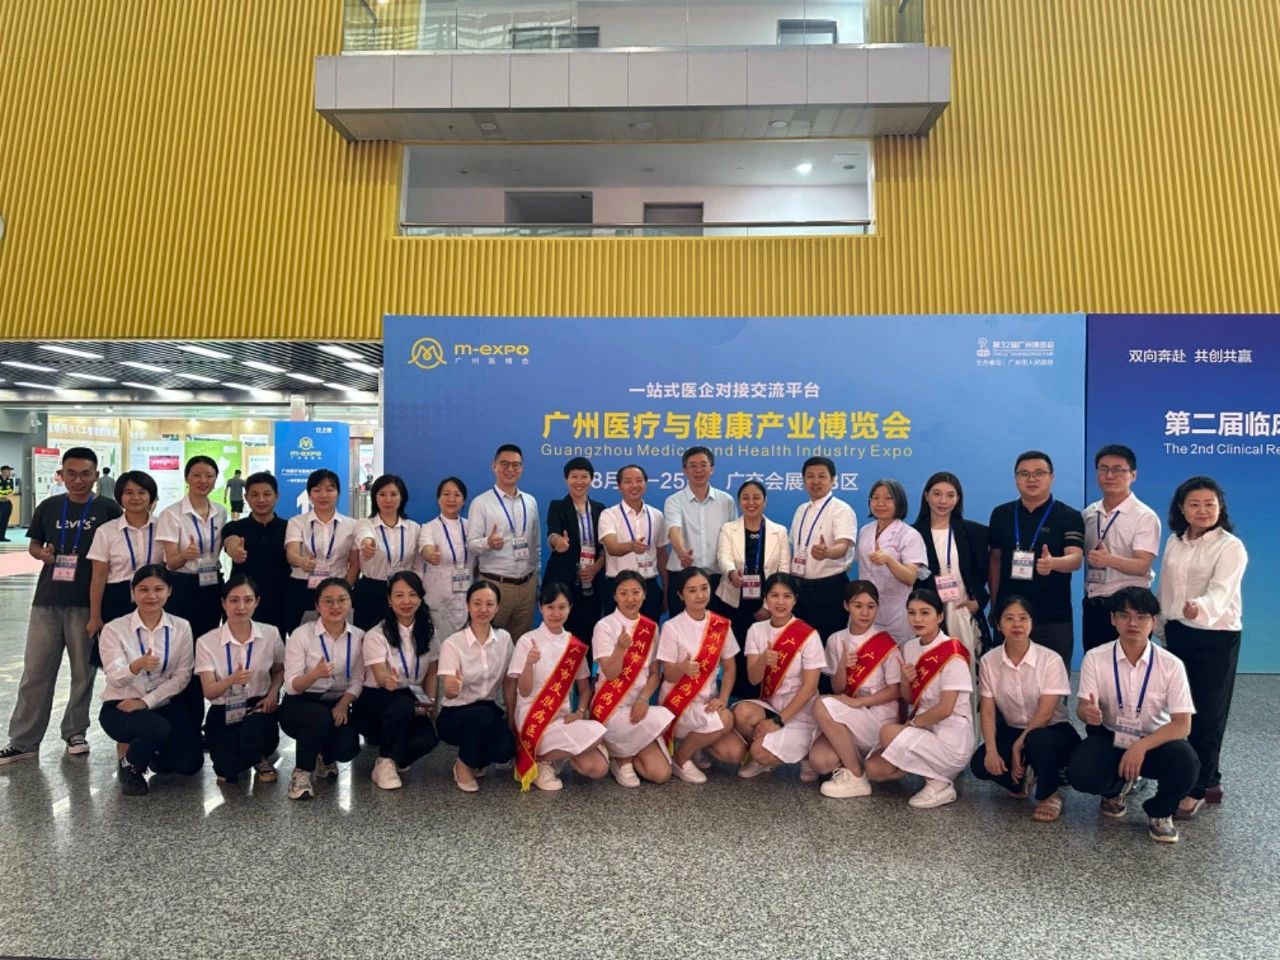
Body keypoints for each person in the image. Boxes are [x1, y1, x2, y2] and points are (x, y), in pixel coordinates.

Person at [0, 447, 121, 766]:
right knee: (36, 672)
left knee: (83, 673)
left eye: (85, 474)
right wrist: (41, 554)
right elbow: (34, 544)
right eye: (71, 473)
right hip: (47, 600)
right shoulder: (50, 506)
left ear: (95, 475)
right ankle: (23, 740)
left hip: (87, 603)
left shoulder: (109, 509)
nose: (78, 480)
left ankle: (75, 732)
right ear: (62, 474)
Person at [1068, 587, 1199, 843]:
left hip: (1155, 741)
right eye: (1124, 615)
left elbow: (1182, 725)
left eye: (1141, 616)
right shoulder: (1095, 658)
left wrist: (1141, 746)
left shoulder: (1171, 665)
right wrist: (1088, 713)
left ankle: (1160, 812)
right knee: (1080, 773)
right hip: (1110, 735)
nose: (1133, 623)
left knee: (1187, 763)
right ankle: (1114, 790)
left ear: (1153, 621)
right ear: (1112, 619)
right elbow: (1082, 707)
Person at [1157, 476, 1246, 815]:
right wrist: (1160, 623)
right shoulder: (1175, 542)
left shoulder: (1230, 546)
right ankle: (1203, 775)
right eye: (1194, 504)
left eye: (1210, 504)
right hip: (1179, 632)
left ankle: (1198, 786)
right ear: (1181, 509)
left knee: (1208, 713)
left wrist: (1201, 607)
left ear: (1220, 507)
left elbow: (1222, 590)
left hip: (1215, 634)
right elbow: (1166, 587)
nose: (1203, 510)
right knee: (1180, 709)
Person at [968, 596, 1081, 822]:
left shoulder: (1050, 659)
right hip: (1013, 728)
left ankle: (1049, 795)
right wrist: (991, 749)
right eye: (1009, 618)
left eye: (1023, 618)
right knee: (980, 764)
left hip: (1052, 730)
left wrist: (1018, 744)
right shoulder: (990, 661)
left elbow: (1046, 713)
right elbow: (988, 711)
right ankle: (1025, 778)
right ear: (998, 624)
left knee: (1036, 740)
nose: (1016, 624)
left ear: (1032, 623)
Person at [96, 564, 202, 795]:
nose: (151, 596)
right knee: (157, 728)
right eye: (143, 589)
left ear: (169, 591)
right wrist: (136, 666)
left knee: (190, 763)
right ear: (133, 592)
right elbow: (114, 678)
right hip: (122, 705)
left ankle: (149, 750)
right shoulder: (115, 629)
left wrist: (146, 702)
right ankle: (129, 764)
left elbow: (183, 675)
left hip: (160, 702)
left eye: (158, 589)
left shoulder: (181, 627)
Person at [865, 589, 974, 808]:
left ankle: (940, 783)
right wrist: (906, 681)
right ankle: (936, 774)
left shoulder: (952, 652)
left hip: (951, 734)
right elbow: (908, 698)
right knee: (874, 769)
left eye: (925, 613)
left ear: (940, 616)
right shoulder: (910, 647)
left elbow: (945, 709)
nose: (917, 619)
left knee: (888, 732)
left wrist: (912, 724)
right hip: (924, 728)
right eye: (912, 612)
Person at [504, 583, 608, 792]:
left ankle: (556, 757)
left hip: (562, 717)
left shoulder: (575, 646)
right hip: (532, 716)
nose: (556, 613)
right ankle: (539, 761)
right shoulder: (527, 640)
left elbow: (585, 689)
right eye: (550, 607)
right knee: (593, 740)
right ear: (540, 608)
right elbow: (523, 691)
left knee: (598, 768)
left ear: (570, 608)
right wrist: (529, 664)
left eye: (562, 607)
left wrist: (580, 712)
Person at [987, 450, 1084, 666]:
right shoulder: (1001, 514)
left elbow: (1076, 559)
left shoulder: (1069, 516)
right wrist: (994, 604)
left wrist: (1053, 563)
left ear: (1051, 477)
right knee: (1005, 677)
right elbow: (995, 560)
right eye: (1024, 474)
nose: (1031, 479)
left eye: (1039, 473)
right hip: (1009, 615)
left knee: (1054, 678)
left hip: (1053, 615)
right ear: (1015, 479)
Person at [809, 581, 902, 799]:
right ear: (846, 606)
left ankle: (856, 776)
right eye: (858, 606)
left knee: (820, 704)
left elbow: (895, 691)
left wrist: (859, 702)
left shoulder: (886, 642)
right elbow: (838, 688)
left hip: (879, 719)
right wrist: (842, 666)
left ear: (878, 607)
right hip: (849, 716)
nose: (864, 613)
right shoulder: (836, 640)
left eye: (871, 606)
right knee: (820, 762)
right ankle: (855, 759)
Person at [156, 454, 227, 730]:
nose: (203, 481)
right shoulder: (171, 514)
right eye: (197, 475)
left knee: (206, 651)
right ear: (187, 478)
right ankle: (185, 723)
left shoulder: (220, 511)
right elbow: (170, 563)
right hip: (183, 586)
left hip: (212, 585)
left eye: (209, 476)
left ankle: (202, 721)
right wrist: (185, 555)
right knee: (183, 653)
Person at [657, 567, 747, 783]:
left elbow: (730, 667)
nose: (699, 595)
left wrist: (723, 698)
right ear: (680, 595)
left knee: (735, 753)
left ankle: (695, 745)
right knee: (726, 719)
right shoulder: (671, 627)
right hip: (678, 704)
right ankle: (681, 758)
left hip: (707, 703)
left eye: (704, 588)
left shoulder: (721, 625)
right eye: (692, 590)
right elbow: (668, 674)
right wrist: (682, 668)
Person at [733, 573, 825, 781]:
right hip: (772, 704)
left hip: (801, 711)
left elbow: (810, 687)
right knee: (741, 713)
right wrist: (763, 660)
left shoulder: (809, 635)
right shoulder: (756, 630)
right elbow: (754, 679)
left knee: (759, 752)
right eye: (774, 595)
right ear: (765, 598)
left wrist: (779, 721)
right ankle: (769, 754)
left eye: (787, 596)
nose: (780, 602)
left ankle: (806, 754)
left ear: (795, 600)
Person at [279, 578, 365, 801]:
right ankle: (301, 773)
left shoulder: (359, 637)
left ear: (350, 603)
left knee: (348, 748)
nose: (335, 606)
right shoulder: (301, 635)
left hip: (337, 703)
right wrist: (314, 675)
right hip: (301, 702)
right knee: (318, 718)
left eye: (342, 600)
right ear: (317, 605)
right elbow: (291, 686)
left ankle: (323, 757)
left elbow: (358, 679)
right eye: (328, 601)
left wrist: (343, 705)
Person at [195, 576, 285, 785]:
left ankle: (259, 757)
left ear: (257, 602)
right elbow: (209, 692)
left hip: (259, 705)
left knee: (254, 730)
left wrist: (273, 694)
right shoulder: (206, 641)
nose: (241, 607)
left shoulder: (270, 633)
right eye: (234, 600)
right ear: (223, 603)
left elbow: (279, 670)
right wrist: (232, 679)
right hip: (225, 707)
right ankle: (248, 754)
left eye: (248, 600)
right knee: (226, 771)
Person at [590, 571, 675, 787]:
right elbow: (610, 674)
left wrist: (644, 698)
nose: (630, 599)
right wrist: (620, 648)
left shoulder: (651, 627)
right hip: (611, 708)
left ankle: (624, 752)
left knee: (661, 774)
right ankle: (621, 758)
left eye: (636, 592)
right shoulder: (604, 626)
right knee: (636, 779)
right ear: (615, 596)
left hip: (639, 709)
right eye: (623, 593)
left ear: (644, 594)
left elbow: (655, 674)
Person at [430, 581, 516, 793]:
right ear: (467, 605)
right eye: (477, 603)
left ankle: (476, 758)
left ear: (497, 607)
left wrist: (512, 715)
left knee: (505, 750)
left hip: (487, 708)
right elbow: (449, 691)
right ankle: (463, 765)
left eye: (489, 604)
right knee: (482, 716)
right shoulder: (453, 643)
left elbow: (508, 681)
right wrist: (453, 688)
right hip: (454, 714)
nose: (483, 609)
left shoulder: (504, 639)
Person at [358, 571, 439, 790]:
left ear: (420, 598)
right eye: (399, 595)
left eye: (412, 595)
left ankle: (395, 758)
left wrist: (429, 702)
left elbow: (431, 673)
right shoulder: (377, 634)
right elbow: (380, 676)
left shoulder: (429, 632)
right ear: (389, 599)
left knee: (428, 739)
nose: (406, 601)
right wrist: (389, 680)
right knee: (402, 703)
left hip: (412, 694)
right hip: (378, 698)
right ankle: (384, 762)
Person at [714, 479, 792, 700]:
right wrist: (731, 572)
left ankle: (762, 697)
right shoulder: (728, 528)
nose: (751, 502)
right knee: (736, 650)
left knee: (762, 650)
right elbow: (723, 556)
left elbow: (784, 568)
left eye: (756, 497)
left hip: (766, 604)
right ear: (739, 502)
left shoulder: (779, 531)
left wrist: (768, 606)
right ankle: (736, 698)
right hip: (733, 600)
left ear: (765, 501)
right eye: (746, 498)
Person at [1081, 445, 1161, 652]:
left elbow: (1142, 566)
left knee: (1130, 665)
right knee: (1096, 662)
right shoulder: (1089, 513)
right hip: (1094, 603)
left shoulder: (1144, 516)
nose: (1110, 475)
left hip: (1130, 607)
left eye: (1118, 469)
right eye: (1104, 469)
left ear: (1133, 475)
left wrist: (1109, 560)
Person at [788, 456, 857, 672]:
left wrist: (827, 552)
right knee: (802, 648)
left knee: (829, 648)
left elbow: (843, 546)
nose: (815, 481)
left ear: (833, 479)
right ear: (803, 480)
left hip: (830, 589)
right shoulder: (801, 509)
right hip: (801, 588)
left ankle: (828, 691)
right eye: (810, 476)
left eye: (822, 476)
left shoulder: (841, 509)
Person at [911, 471, 991, 656]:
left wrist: (978, 601)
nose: (943, 501)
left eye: (950, 495)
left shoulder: (974, 532)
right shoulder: (912, 534)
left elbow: (982, 572)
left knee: (965, 663)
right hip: (926, 615)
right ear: (926, 496)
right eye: (937, 494)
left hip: (962, 611)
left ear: (958, 499)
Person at [467, 444, 541, 643]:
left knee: (521, 644)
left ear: (522, 468)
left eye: (516, 465)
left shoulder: (530, 502)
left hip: (527, 586)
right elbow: (471, 544)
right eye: (504, 464)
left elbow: (536, 545)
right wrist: (488, 543)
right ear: (494, 466)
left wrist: (536, 580)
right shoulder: (481, 503)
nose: (510, 469)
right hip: (495, 585)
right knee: (491, 643)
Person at [87, 471, 159, 650]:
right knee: (118, 656)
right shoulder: (106, 531)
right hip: (117, 598)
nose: (135, 497)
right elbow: (98, 576)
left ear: (151, 496)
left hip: (156, 598)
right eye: (129, 492)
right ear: (120, 496)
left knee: (154, 652)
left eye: (142, 492)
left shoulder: (163, 527)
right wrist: (95, 616)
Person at [283, 468, 359, 636]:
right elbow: (291, 553)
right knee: (301, 637)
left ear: (338, 493)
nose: (323, 495)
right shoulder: (297, 522)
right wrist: (302, 561)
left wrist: (345, 589)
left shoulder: (352, 525)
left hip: (338, 588)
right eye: (317, 490)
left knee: (337, 635)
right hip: (302, 587)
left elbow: (355, 565)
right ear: (309, 494)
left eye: (330, 489)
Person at [663, 446, 737, 617]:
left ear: (712, 468)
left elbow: (733, 537)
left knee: (717, 628)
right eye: (692, 466)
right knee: (681, 629)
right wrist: (681, 553)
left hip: (717, 578)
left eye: (703, 465)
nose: (698, 470)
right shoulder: (674, 501)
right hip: (683, 576)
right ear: (684, 470)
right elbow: (674, 529)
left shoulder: (726, 501)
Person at [855, 479, 927, 644]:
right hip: (864, 610)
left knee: (894, 656)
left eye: (888, 498)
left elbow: (910, 578)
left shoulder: (910, 535)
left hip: (895, 613)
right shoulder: (865, 530)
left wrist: (889, 560)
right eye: (875, 498)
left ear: (899, 502)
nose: (880, 503)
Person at [545, 457, 606, 649]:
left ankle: (586, 669)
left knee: (589, 635)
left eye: (584, 477)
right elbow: (553, 533)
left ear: (592, 479)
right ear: (566, 479)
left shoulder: (600, 509)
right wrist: (558, 542)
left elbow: (604, 547)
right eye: (574, 477)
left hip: (592, 582)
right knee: (561, 636)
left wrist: (595, 568)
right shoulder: (557, 506)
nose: (579, 481)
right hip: (564, 581)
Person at [221, 472, 291, 636]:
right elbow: (231, 542)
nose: (261, 499)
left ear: (276, 496)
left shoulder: (289, 527)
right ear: (246, 497)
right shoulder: (234, 526)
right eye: (254, 495)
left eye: (267, 494)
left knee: (276, 648)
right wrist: (235, 551)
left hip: (279, 601)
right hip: (242, 603)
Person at [598, 464, 668, 621]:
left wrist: (666, 588)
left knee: (648, 634)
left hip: (649, 587)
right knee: (616, 634)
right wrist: (631, 546)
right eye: (628, 481)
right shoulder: (609, 515)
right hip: (618, 588)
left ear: (645, 484)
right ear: (619, 486)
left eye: (639, 480)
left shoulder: (657, 515)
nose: (634, 485)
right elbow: (612, 547)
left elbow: (662, 554)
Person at [352, 474, 421, 630]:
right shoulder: (365, 523)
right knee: (367, 636)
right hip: (372, 590)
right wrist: (367, 544)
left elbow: (417, 564)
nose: (388, 500)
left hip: (403, 591)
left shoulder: (414, 528)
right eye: (382, 494)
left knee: (401, 634)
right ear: (375, 497)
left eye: (393, 494)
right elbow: (365, 536)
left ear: (402, 497)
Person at [418, 476, 476, 642]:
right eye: (446, 494)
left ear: (463, 501)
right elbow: (425, 548)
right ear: (438, 499)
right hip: (439, 600)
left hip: (467, 597)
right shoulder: (429, 527)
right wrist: (431, 555)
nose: (451, 499)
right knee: (440, 647)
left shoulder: (471, 526)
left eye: (457, 495)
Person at [0, 463, 18, 540]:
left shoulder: (10, 480)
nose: (9, 472)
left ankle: (1, 536)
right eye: (8, 470)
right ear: (3, 471)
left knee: (5, 520)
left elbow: (12, 490)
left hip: (7, 502)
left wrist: (8, 496)